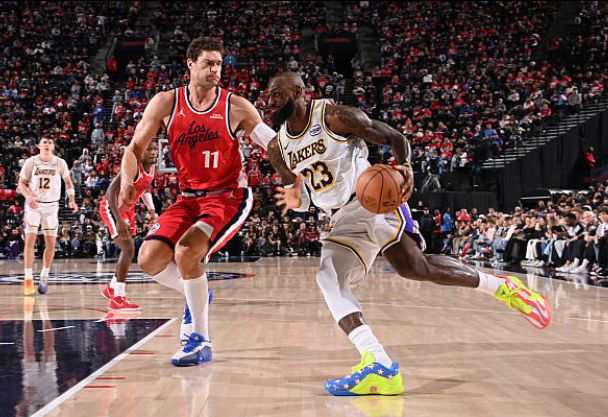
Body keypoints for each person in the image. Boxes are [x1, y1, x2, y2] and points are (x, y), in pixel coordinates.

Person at [266, 72, 552, 396]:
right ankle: (379, 363)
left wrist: (405, 168)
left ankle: (503, 287)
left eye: (277, 92)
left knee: (414, 267)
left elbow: (395, 138)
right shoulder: (277, 148)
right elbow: (301, 195)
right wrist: (296, 200)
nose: (270, 100)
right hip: (340, 217)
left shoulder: (334, 116)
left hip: (372, 200)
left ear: (299, 91)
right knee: (328, 277)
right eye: (268, 94)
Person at [118, 37, 276, 366]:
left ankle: (200, 339)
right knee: (147, 259)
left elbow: (273, 145)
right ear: (190, 64)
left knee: (187, 252)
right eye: (208, 63)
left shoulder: (236, 106)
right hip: (188, 198)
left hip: (227, 197)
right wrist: (127, 183)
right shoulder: (166, 103)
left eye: (218, 64)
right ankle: (197, 294)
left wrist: (296, 177)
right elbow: (134, 148)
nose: (215, 69)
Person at [99, 141, 158, 311]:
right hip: (113, 207)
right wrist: (118, 220)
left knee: (128, 250)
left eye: (155, 149)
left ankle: (112, 288)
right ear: (141, 152)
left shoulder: (152, 169)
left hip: (128, 209)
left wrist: (152, 211)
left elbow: (145, 189)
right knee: (128, 249)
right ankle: (118, 297)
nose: (153, 152)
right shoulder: (133, 166)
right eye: (149, 149)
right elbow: (111, 192)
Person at [18, 136, 78, 295]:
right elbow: (21, 183)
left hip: (52, 206)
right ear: (38, 145)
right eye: (44, 142)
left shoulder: (60, 162)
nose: (46, 144)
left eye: (49, 142)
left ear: (53, 146)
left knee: (51, 244)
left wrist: (72, 200)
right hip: (34, 205)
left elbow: (69, 183)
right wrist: (28, 196)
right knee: (30, 241)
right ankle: (28, 278)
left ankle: (44, 275)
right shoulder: (31, 162)